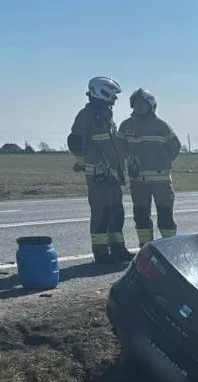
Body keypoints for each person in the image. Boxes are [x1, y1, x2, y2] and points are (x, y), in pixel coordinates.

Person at [68, 76, 130, 264]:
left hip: (112, 173)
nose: (115, 99)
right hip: (99, 175)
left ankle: (118, 248)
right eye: (113, 95)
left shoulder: (105, 114)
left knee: (117, 213)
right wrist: (83, 162)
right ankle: (101, 252)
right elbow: (74, 141)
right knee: (101, 214)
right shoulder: (86, 115)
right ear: (102, 92)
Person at [120, 88, 182, 246]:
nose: (138, 107)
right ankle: (145, 247)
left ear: (151, 105)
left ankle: (169, 247)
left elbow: (175, 147)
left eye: (142, 103)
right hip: (137, 181)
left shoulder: (161, 126)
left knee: (165, 214)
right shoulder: (126, 125)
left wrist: (163, 160)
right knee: (141, 215)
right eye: (135, 104)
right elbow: (119, 148)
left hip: (161, 181)